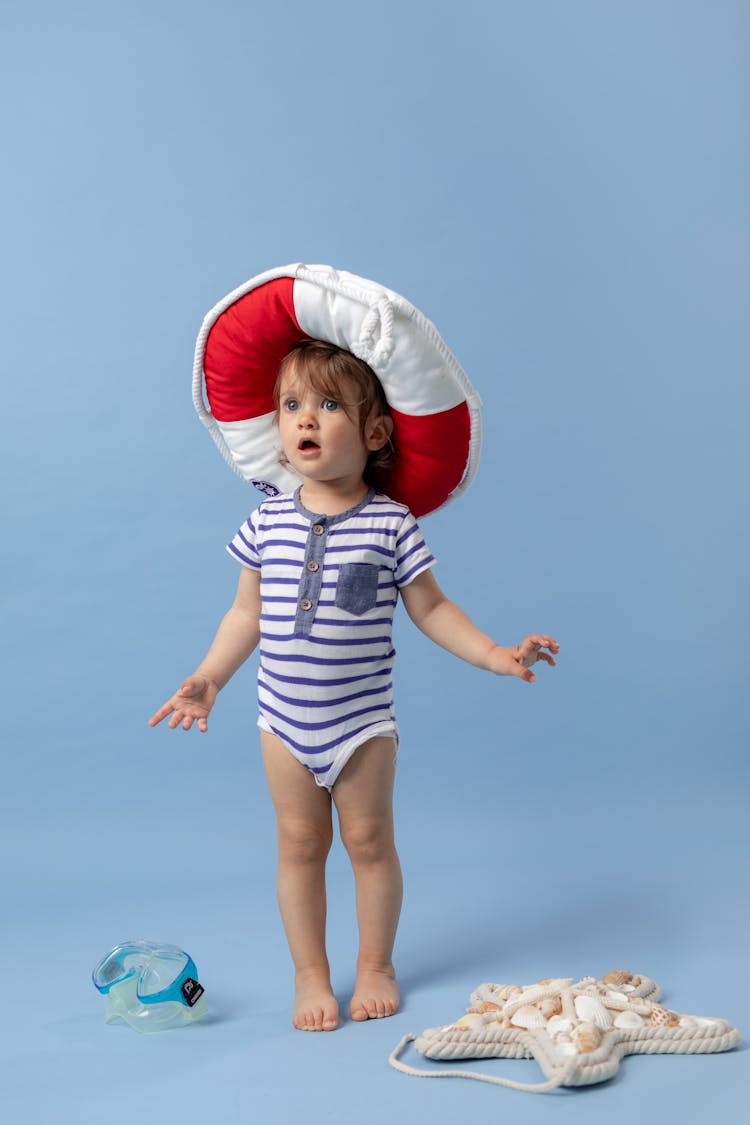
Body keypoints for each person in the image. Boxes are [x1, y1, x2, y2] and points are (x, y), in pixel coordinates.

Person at [149, 339, 559, 1032]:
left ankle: (377, 964)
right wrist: (210, 677)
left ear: (373, 433)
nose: (306, 419)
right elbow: (245, 611)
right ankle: (311, 973)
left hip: (362, 723)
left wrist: (494, 652)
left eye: (328, 404)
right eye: (292, 405)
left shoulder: (391, 523)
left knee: (369, 842)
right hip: (281, 719)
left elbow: (431, 606)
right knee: (299, 844)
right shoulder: (267, 519)